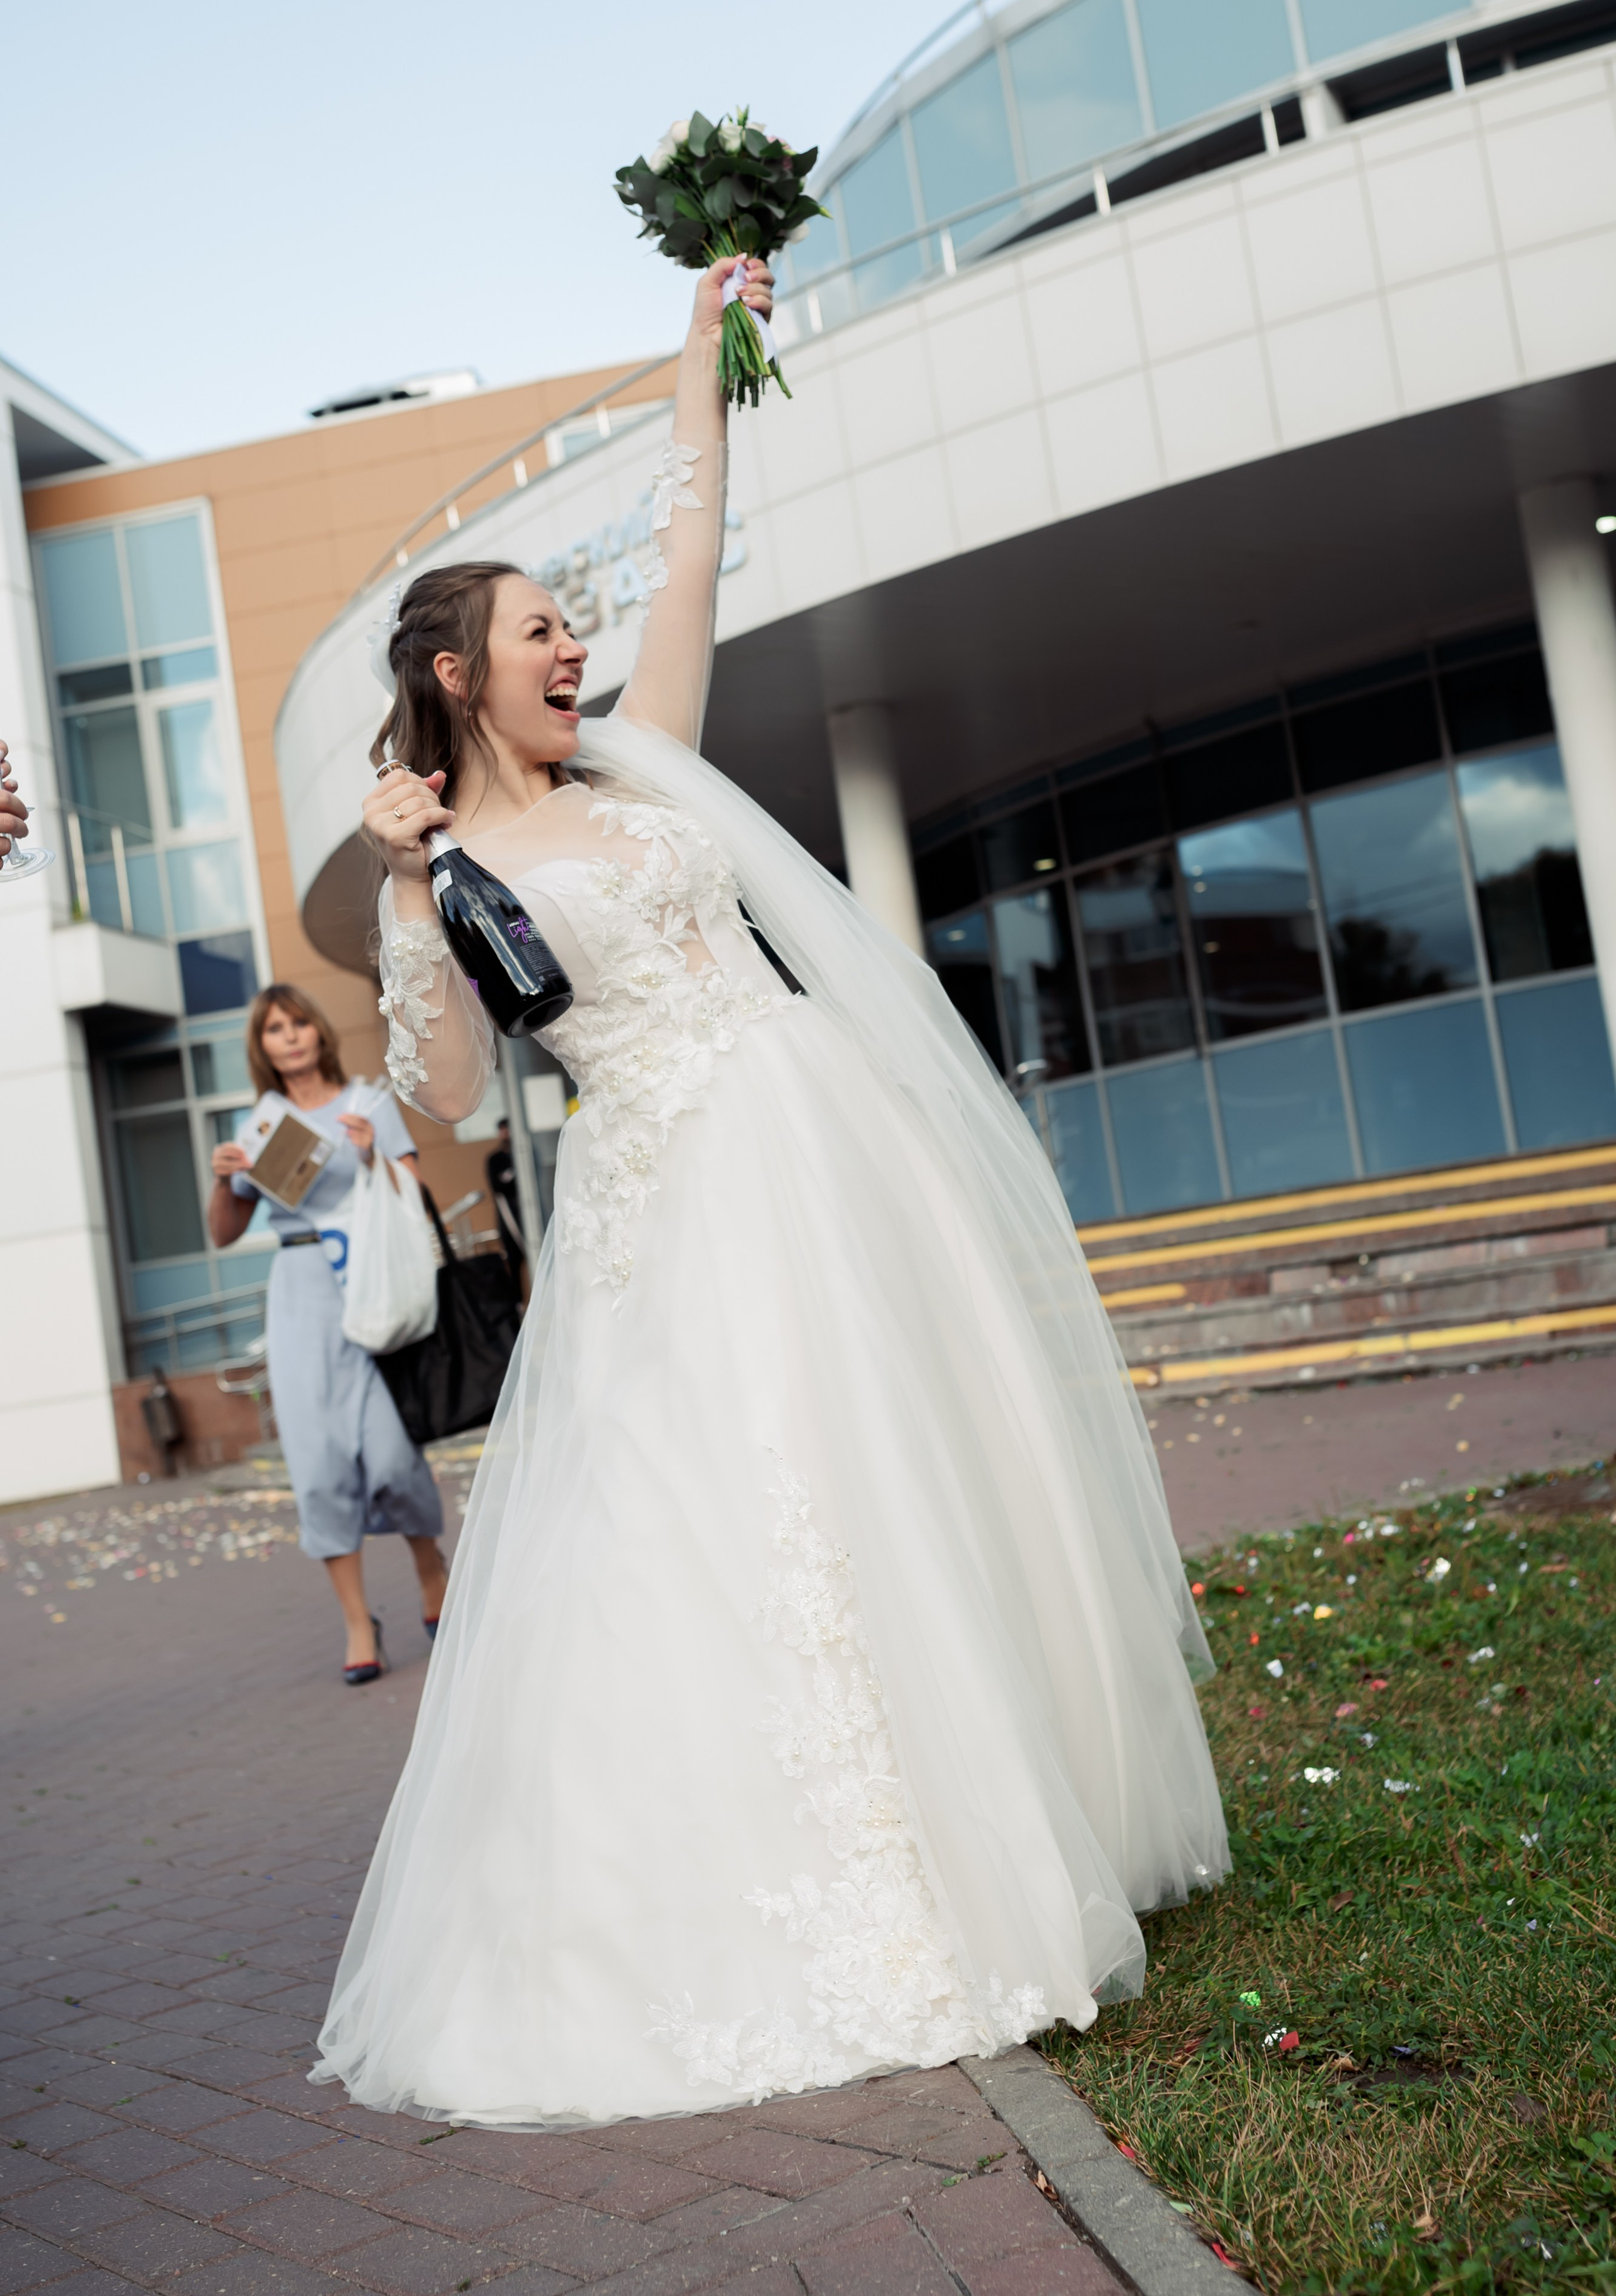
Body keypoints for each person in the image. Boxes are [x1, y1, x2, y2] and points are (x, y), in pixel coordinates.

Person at [313, 257, 1227, 2130]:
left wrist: (697, 364)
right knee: (736, 1502)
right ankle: (817, 1883)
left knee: (917, 1462)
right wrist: (403, 892)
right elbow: (452, 1099)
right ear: (454, 673)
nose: (573, 648)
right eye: (538, 630)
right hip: (673, 1196)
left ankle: (1011, 1811)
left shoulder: (641, 756)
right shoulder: (451, 863)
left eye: (571, 622)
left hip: (818, 1138)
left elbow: (691, 554)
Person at [208, 985, 448, 1683]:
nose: (289, 1035)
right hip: (300, 1294)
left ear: (318, 1031)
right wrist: (223, 1181)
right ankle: (356, 1622)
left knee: (392, 1455)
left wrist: (373, 1156)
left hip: (370, 1281)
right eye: (274, 1028)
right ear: (263, 1045)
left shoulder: (367, 1102)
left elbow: (416, 1194)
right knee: (317, 1469)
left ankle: (429, 1567)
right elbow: (224, 1232)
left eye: (298, 1022)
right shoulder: (260, 1125)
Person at [484, 1118, 525, 1285]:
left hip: (527, 1214)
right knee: (513, 1261)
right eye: (502, 1131)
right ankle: (518, 1299)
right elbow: (498, 1187)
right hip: (508, 1217)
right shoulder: (495, 1159)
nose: (505, 1135)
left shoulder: (523, 1154)